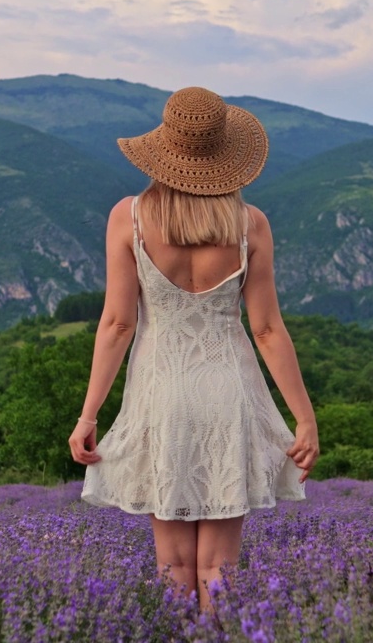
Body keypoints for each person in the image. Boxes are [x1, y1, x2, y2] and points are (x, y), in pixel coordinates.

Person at [68, 86, 320, 610]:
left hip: (161, 394)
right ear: (225, 155)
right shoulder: (249, 224)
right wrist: (304, 417)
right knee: (220, 568)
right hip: (230, 393)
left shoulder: (129, 218)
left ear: (164, 148)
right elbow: (268, 329)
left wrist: (89, 414)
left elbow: (116, 324)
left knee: (174, 565)